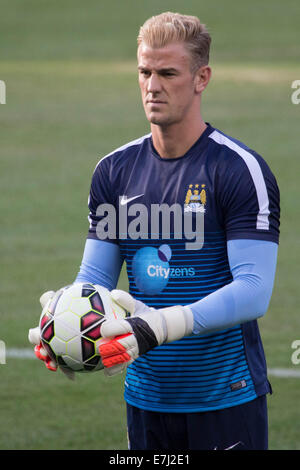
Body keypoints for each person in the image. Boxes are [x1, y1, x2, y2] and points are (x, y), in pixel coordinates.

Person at [29, 12, 280, 450]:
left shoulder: (238, 169)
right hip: (146, 399)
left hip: (225, 399)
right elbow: (95, 280)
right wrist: (61, 320)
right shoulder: (114, 171)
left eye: (167, 73)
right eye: (144, 72)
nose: (152, 86)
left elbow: (254, 290)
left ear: (202, 78)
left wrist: (162, 326)